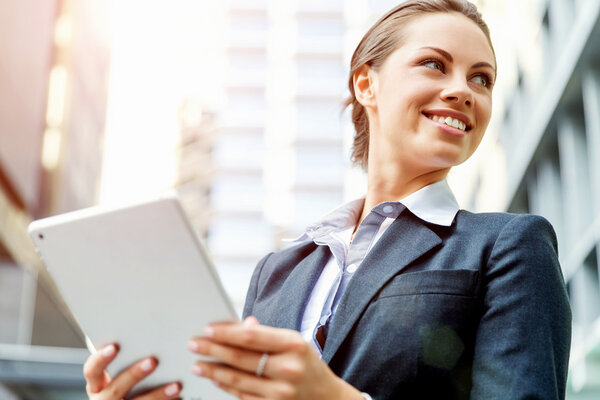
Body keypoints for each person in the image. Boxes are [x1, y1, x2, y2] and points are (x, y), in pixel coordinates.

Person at [83, 0, 572, 399]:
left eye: (481, 78)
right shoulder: (278, 272)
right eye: (434, 64)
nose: (463, 91)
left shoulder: (509, 245)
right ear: (366, 83)